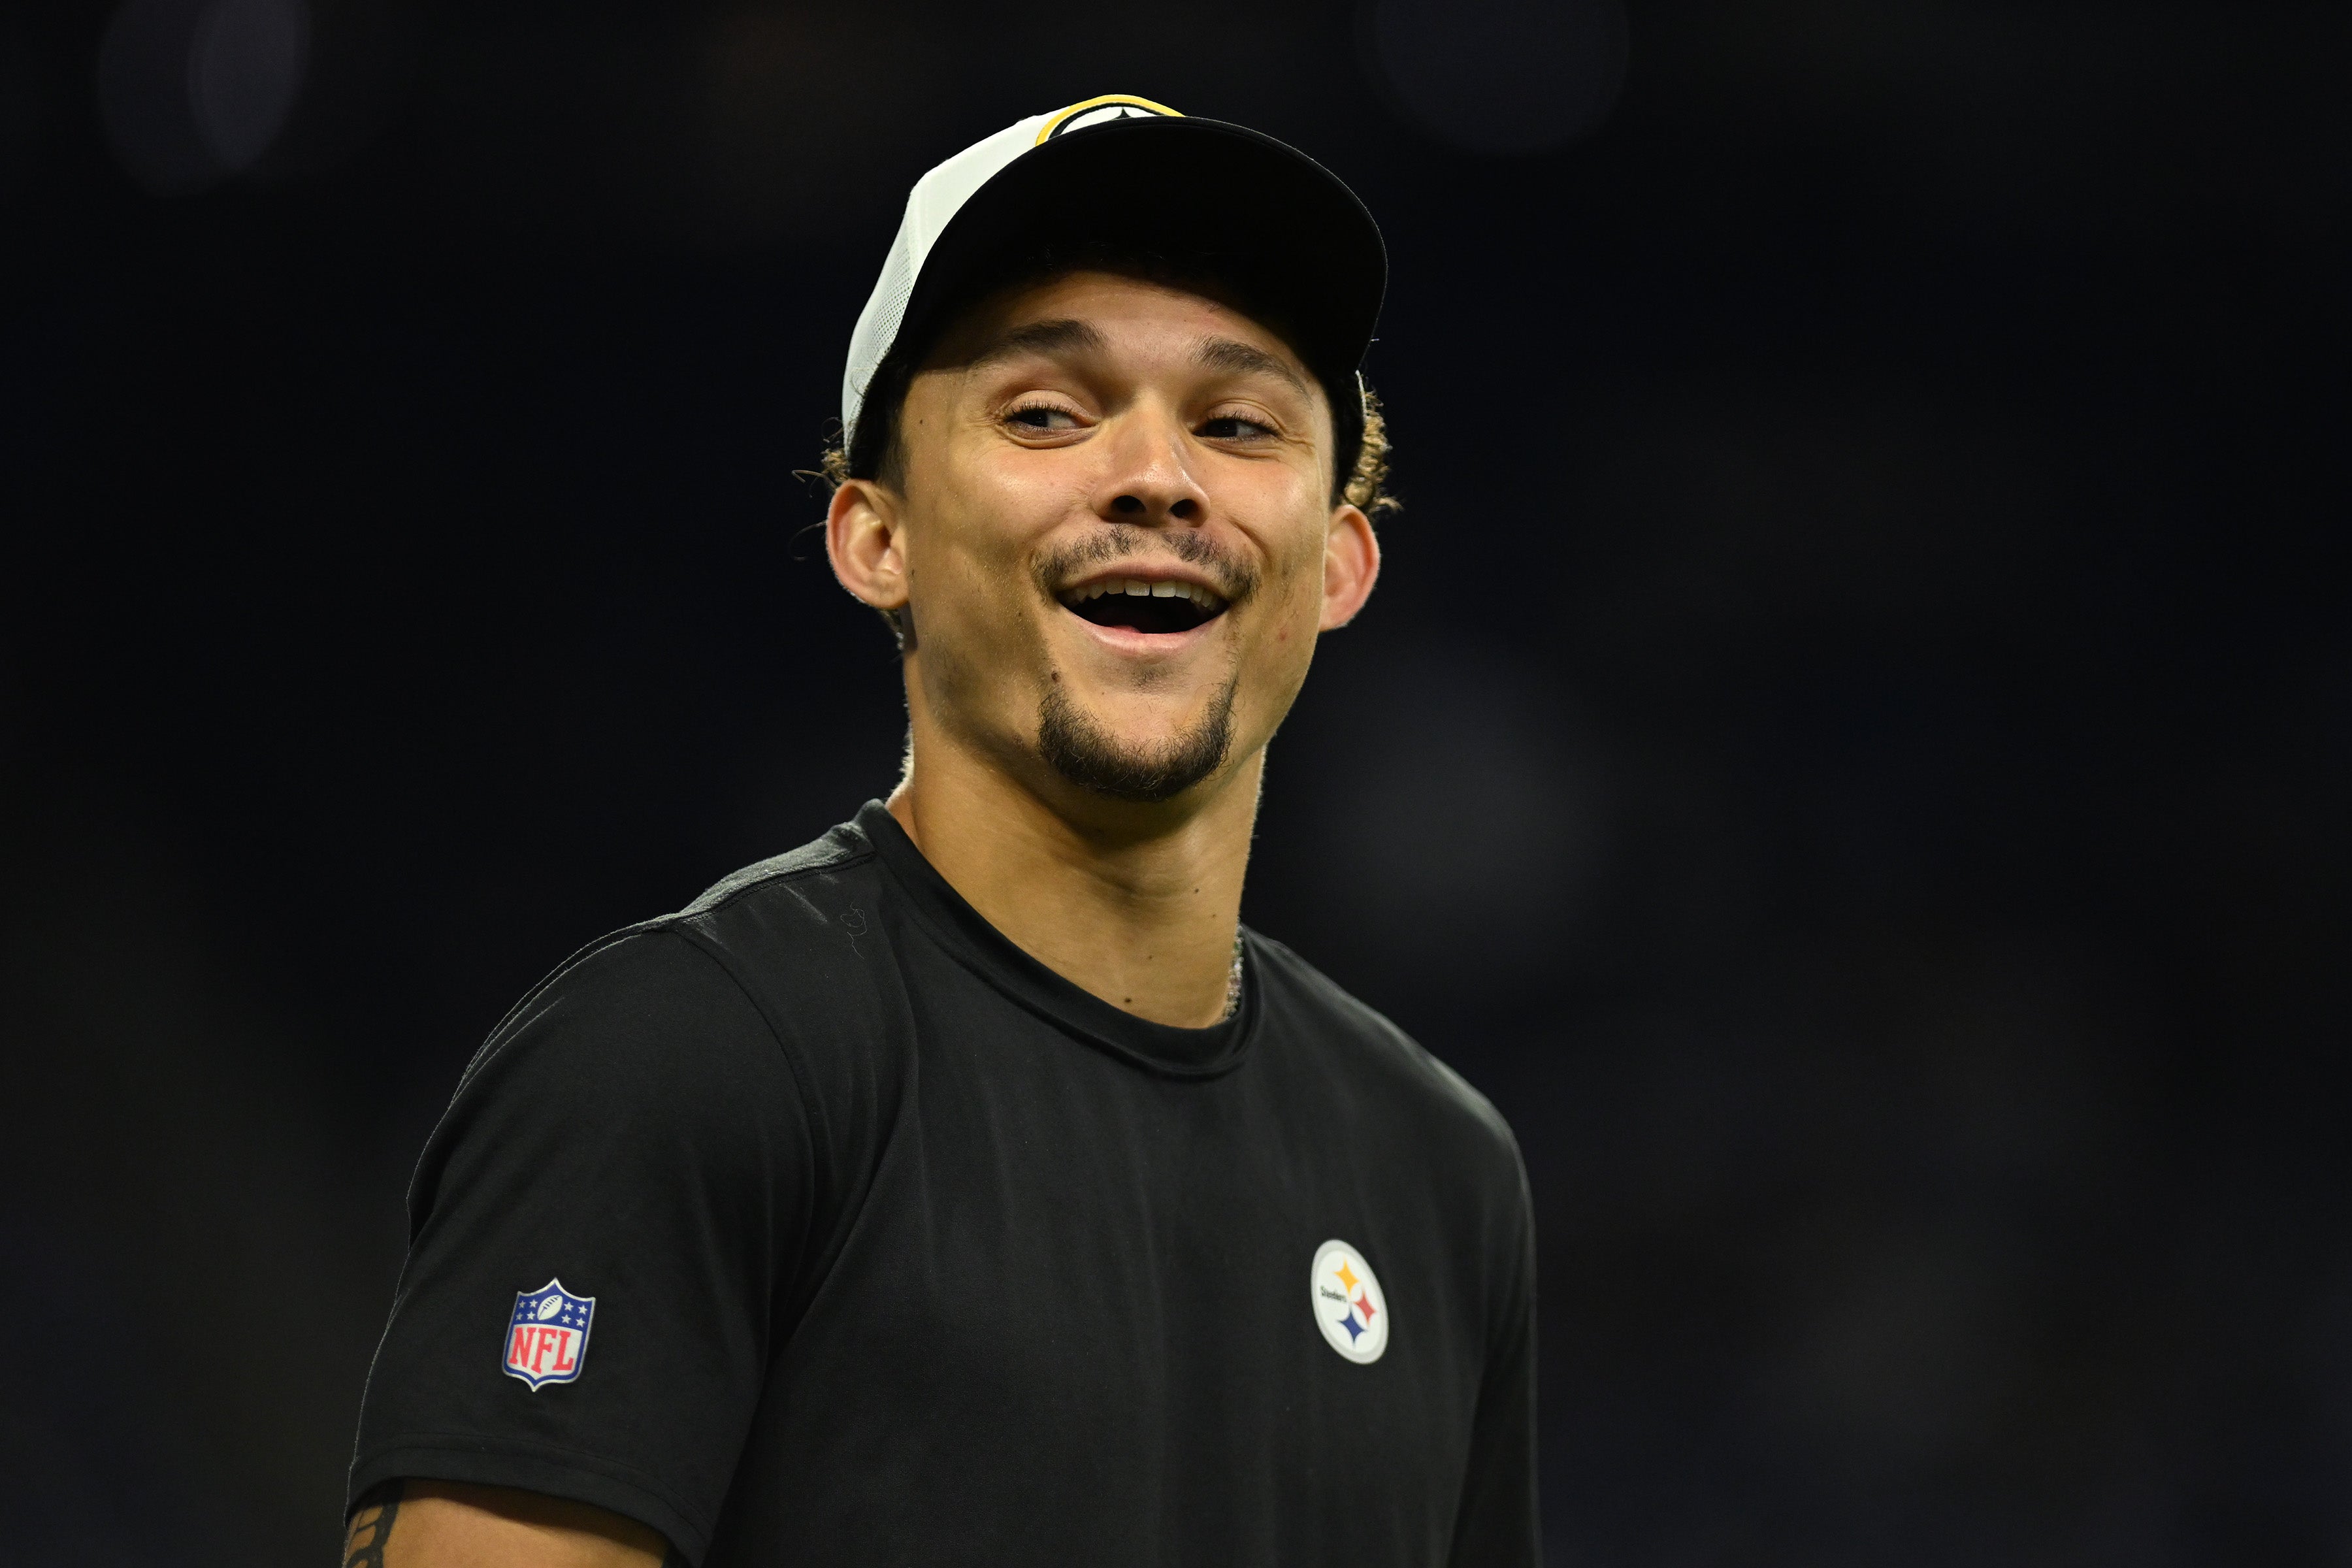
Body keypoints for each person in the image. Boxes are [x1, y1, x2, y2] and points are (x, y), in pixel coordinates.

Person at [342, 94, 1538, 1568]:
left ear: (1342, 561)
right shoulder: (687, 1064)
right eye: (1045, 412)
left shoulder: (1443, 1173)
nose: (1159, 476)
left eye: (1237, 425)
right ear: (875, 537)